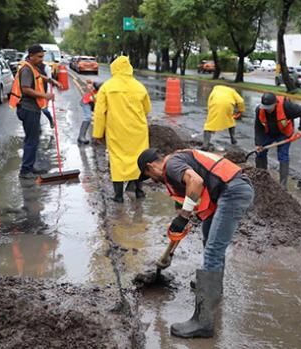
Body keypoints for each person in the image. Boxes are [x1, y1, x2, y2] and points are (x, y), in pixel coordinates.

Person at [137, 148, 254, 338]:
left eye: (148, 176)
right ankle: (214, 289)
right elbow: (185, 212)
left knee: (212, 252)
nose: (152, 180)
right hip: (227, 191)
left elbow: (196, 182)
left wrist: (183, 216)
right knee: (210, 241)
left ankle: (203, 322)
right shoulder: (177, 165)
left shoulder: (171, 165)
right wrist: (171, 251)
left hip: (232, 192)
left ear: (150, 167)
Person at [92, 56, 151, 202]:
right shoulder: (139, 86)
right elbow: (147, 109)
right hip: (138, 131)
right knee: (139, 160)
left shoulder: (107, 87)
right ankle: (139, 191)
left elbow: (99, 113)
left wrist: (98, 134)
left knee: (117, 161)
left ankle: (118, 196)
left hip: (117, 131)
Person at [9, 44, 58, 180]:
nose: (42, 59)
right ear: (31, 56)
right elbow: (26, 89)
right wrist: (45, 96)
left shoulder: (32, 67)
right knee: (31, 140)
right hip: (28, 108)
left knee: (34, 139)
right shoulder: (26, 69)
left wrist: (50, 79)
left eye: (42, 56)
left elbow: (38, 76)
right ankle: (25, 171)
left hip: (33, 108)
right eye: (39, 57)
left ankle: (30, 166)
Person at [254, 92, 301, 189]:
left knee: (283, 156)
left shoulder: (287, 106)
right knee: (260, 153)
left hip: (283, 133)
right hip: (268, 133)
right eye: (265, 107)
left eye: (269, 107)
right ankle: (262, 179)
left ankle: (282, 186)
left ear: (275, 103)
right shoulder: (259, 110)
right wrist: (258, 143)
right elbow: (258, 128)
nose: (267, 110)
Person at [201, 85, 245, 150]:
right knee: (230, 120)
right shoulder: (232, 91)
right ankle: (233, 139)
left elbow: (210, 101)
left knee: (209, 125)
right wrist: (241, 110)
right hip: (228, 105)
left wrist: (210, 112)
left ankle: (205, 145)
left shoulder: (215, 89)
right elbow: (241, 101)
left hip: (215, 104)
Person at [78, 80, 101, 145]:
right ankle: (81, 137)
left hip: (94, 103)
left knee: (100, 118)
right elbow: (91, 83)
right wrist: (90, 85)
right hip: (87, 102)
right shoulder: (99, 88)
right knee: (88, 117)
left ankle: (96, 138)